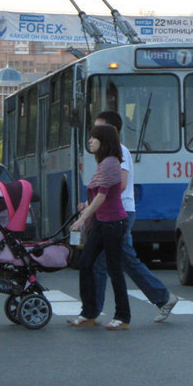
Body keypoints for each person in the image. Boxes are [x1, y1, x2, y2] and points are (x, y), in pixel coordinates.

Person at [91, 111, 178, 323]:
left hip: (120, 212)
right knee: (121, 260)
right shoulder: (111, 152)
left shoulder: (118, 151)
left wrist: (97, 201)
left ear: (111, 131)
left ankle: (92, 311)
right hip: (117, 211)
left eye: (98, 129)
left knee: (105, 262)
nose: (93, 134)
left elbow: (119, 183)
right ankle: (162, 297)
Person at [68, 124, 131, 330]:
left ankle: (123, 317)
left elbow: (102, 197)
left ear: (104, 142)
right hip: (103, 223)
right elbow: (97, 197)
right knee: (85, 263)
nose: (90, 141)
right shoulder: (103, 163)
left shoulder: (111, 163)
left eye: (94, 138)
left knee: (114, 270)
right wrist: (84, 206)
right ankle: (89, 313)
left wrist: (82, 218)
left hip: (114, 223)